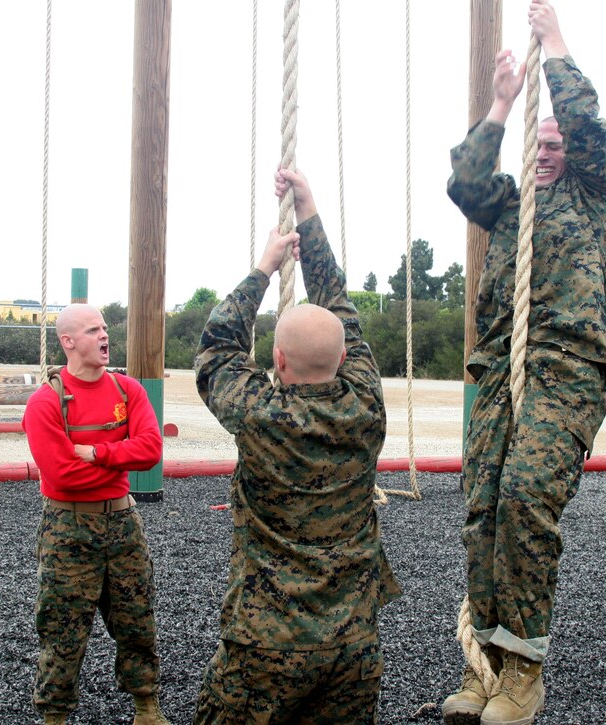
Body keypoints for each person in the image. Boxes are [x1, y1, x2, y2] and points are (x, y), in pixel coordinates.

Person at [442, 2, 606, 723]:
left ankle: (524, 669)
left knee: (524, 500)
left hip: (565, 367)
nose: (548, 150)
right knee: (483, 507)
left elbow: (586, 127)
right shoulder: (510, 206)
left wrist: (553, 44)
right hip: (498, 368)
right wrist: (501, 103)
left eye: (556, 144)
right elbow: (464, 177)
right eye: (538, 143)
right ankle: (483, 664)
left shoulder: (599, 196)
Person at [192, 168, 401, 723]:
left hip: (266, 643)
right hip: (353, 644)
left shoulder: (261, 414)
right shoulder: (366, 406)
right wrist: (309, 214)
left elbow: (216, 349)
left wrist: (264, 267)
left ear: (277, 362)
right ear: (344, 360)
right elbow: (341, 310)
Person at [22, 304, 169, 724]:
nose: (104, 336)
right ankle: (54, 717)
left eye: (104, 328)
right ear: (68, 341)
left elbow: (151, 451)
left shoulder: (128, 391)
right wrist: (120, 458)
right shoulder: (46, 402)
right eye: (92, 330)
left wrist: (97, 452)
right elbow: (61, 474)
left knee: (137, 619)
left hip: (123, 523)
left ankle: (146, 708)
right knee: (62, 626)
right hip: (68, 526)